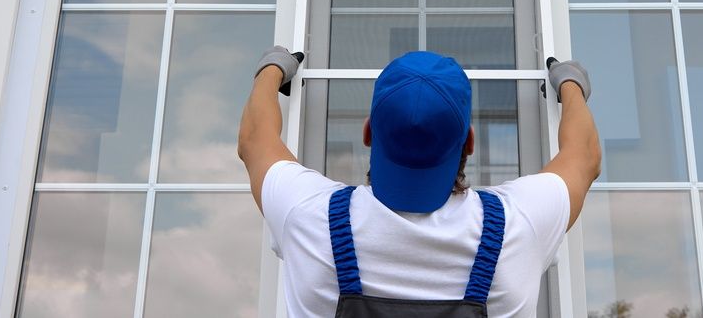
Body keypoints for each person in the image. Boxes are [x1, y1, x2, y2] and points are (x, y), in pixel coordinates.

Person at [238, 47, 600, 318]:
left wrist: (273, 68)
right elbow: (583, 156)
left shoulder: (309, 214)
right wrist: (569, 83)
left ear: (368, 132)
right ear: (470, 142)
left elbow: (255, 140)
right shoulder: (518, 225)